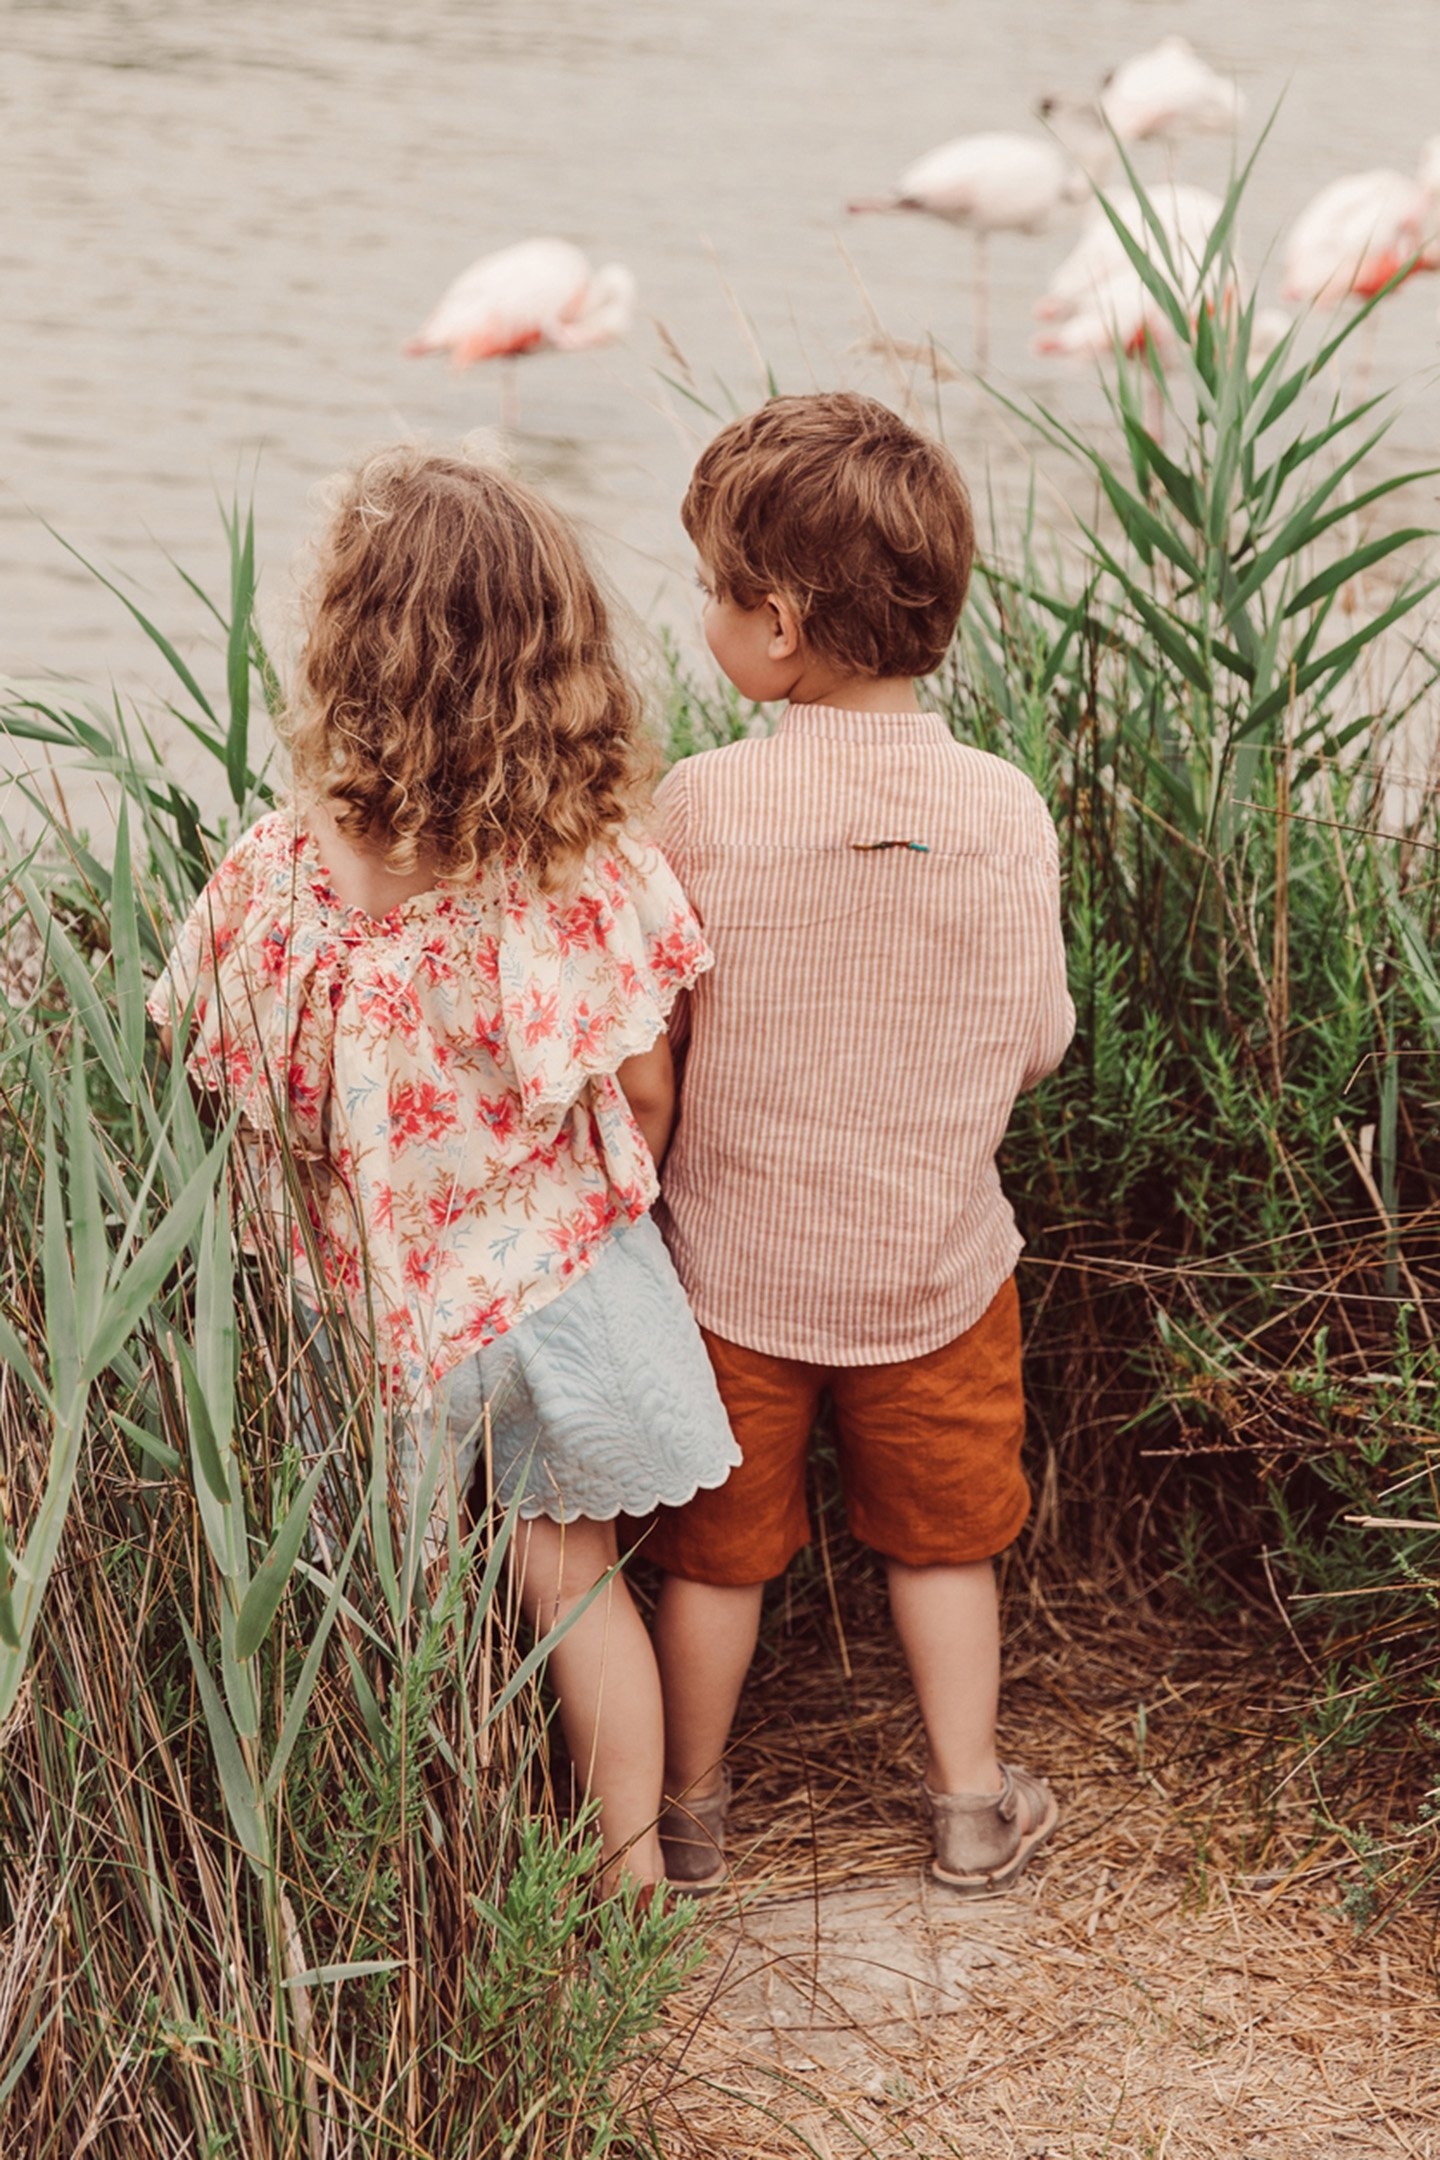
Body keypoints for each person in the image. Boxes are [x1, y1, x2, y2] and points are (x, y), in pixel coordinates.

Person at [148, 445, 740, 1892]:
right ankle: (630, 1874)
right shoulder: (584, 872)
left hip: (362, 1307)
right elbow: (645, 1075)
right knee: (570, 1576)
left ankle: (446, 1869)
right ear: (560, 662)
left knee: (397, 1602)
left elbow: (194, 1062)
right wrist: (614, 1199)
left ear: (345, 646)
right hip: (545, 1279)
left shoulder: (273, 876)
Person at [647, 392, 1075, 1897]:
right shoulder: (1005, 810)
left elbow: (662, 1038)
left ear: (773, 626)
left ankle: (688, 1811)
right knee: (945, 1542)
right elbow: (1038, 1038)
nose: (704, 613)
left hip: (730, 1277)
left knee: (716, 1557)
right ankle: (968, 1806)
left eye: (712, 588)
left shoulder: (700, 808)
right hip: (937, 1268)